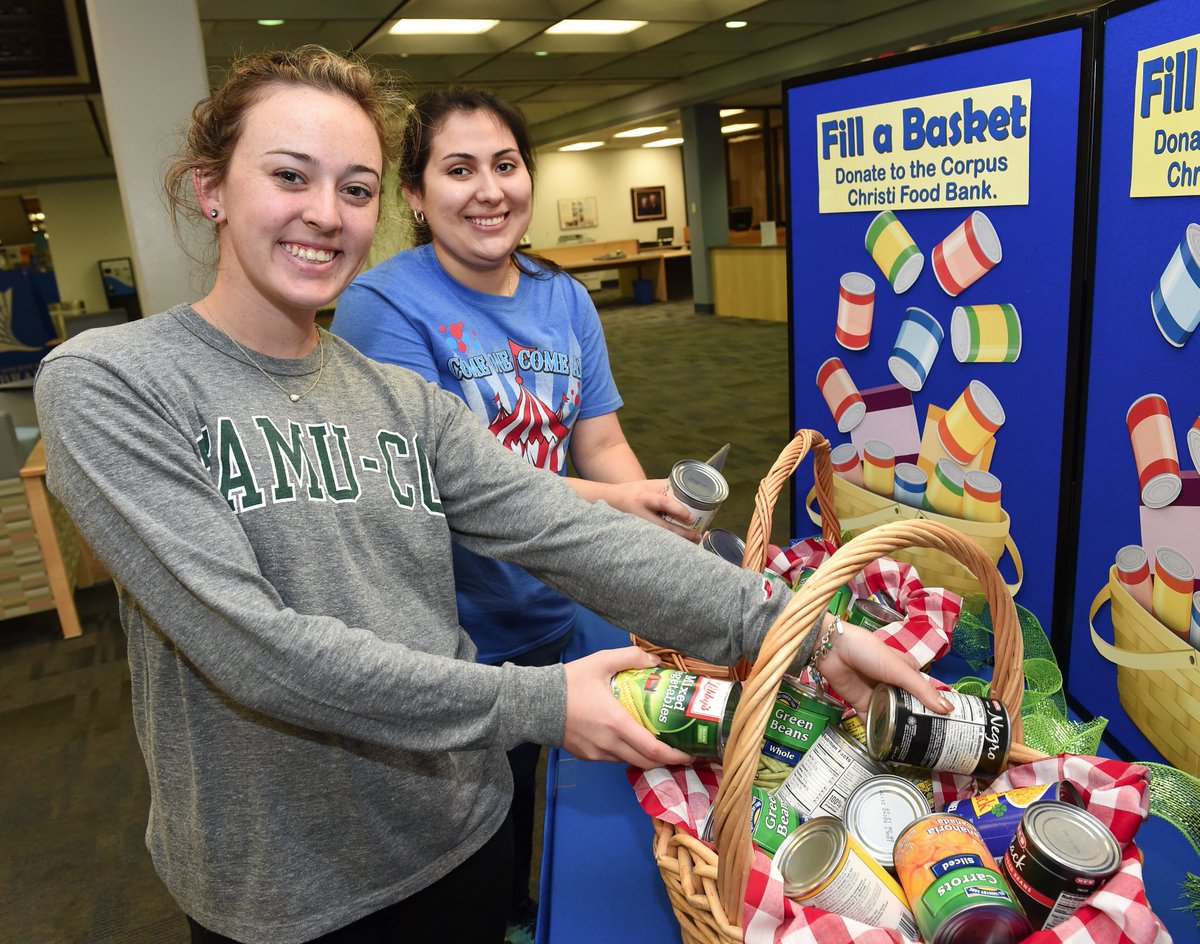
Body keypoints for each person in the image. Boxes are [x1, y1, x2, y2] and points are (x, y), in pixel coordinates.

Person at [34, 46, 952, 944]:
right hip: (283, 879)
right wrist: (537, 704)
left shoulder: (398, 398)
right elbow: (252, 647)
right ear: (212, 189)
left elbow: (562, 526)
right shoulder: (112, 382)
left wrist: (802, 632)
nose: (325, 215)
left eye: (353, 189)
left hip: (456, 828)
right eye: (288, 176)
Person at [330, 86, 697, 943]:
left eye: (505, 164)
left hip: (551, 614)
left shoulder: (562, 299)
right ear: (415, 197)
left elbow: (599, 445)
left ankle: (516, 901)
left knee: (543, 798)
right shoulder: (383, 308)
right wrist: (619, 508)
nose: (489, 189)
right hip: (446, 636)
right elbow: (467, 487)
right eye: (458, 170)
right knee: (459, 841)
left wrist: (650, 532)